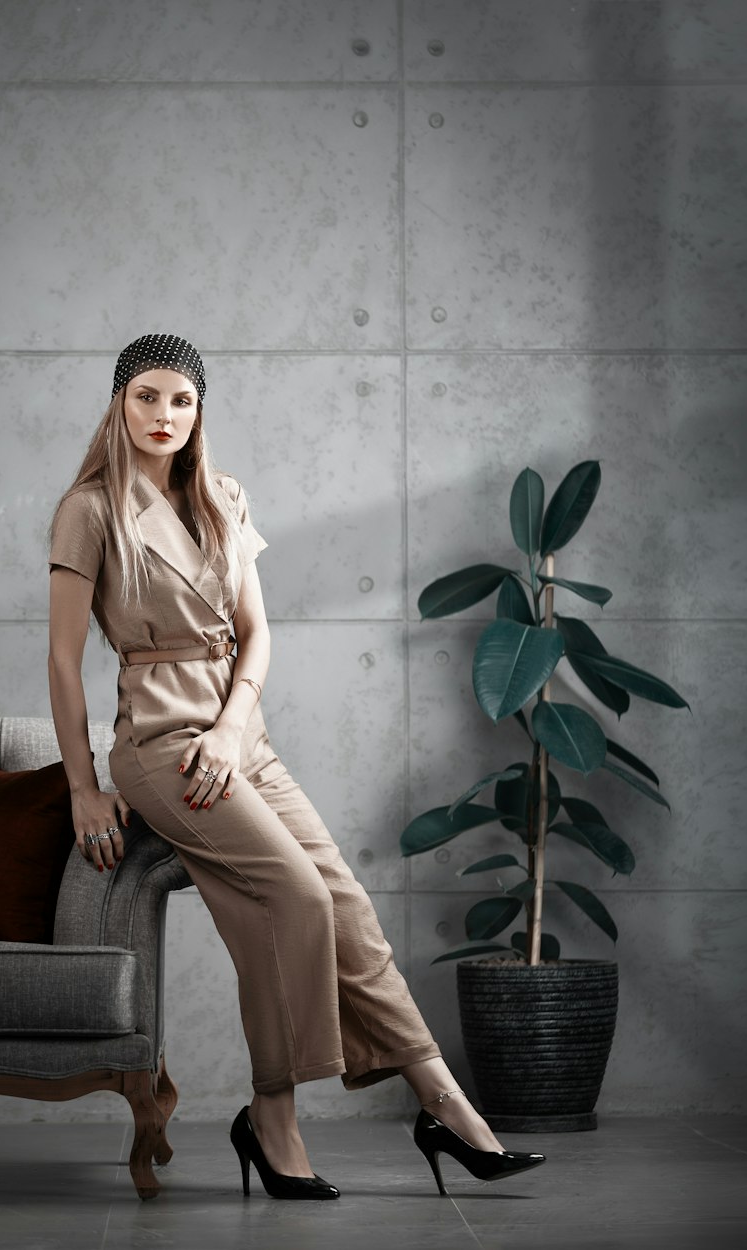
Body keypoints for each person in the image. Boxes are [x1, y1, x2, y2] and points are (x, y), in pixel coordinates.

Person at [47, 333, 545, 1199]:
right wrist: (82, 787)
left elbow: (258, 633)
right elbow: (60, 662)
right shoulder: (89, 509)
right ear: (117, 403)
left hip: (241, 740)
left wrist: (235, 729)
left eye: (182, 401)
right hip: (160, 748)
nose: (164, 415)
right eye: (146, 397)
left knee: (346, 911)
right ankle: (272, 1115)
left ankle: (447, 1107)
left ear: (202, 412)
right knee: (297, 898)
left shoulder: (223, 498)